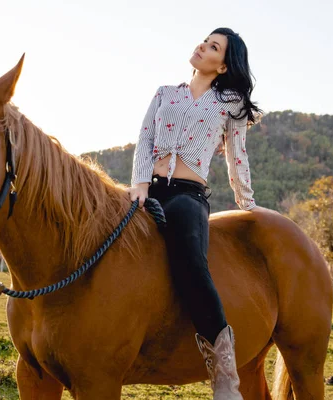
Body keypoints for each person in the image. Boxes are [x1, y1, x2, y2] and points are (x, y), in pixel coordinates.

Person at [128, 27, 262, 399]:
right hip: (148, 189)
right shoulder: (165, 93)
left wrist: (247, 202)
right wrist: (139, 184)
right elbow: (145, 140)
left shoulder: (229, 102)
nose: (203, 46)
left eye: (214, 46)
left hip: (187, 196)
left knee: (191, 259)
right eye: (205, 40)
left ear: (223, 65)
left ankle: (223, 371)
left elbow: (237, 155)